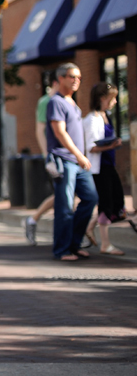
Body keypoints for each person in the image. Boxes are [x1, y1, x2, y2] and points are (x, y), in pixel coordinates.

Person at [45, 63, 98, 261]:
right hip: (65, 160)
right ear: (60, 79)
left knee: (90, 198)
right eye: (71, 76)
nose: (76, 80)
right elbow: (60, 132)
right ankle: (62, 250)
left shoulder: (72, 103)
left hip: (77, 162)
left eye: (79, 77)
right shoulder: (56, 102)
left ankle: (74, 245)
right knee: (65, 206)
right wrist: (79, 155)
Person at [82, 82, 133, 255]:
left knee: (117, 203)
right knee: (106, 203)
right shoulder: (91, 119)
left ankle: (90, 227)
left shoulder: (105, 116)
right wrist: (111, 146)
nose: (116, 102)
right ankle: (105, 244)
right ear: (102, 98)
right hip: (99, 168)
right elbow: (91, 147)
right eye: (113, 98)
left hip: (109, 165)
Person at [24, 75, 59, 245]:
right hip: (54, 155)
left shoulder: (64, 101)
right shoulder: (46, 101)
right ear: (56, 82)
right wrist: (47, 156)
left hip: (65, 155)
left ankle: (34, 220)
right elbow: (40, 130)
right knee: (62, 193)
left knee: (65, 194)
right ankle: (33, 219)